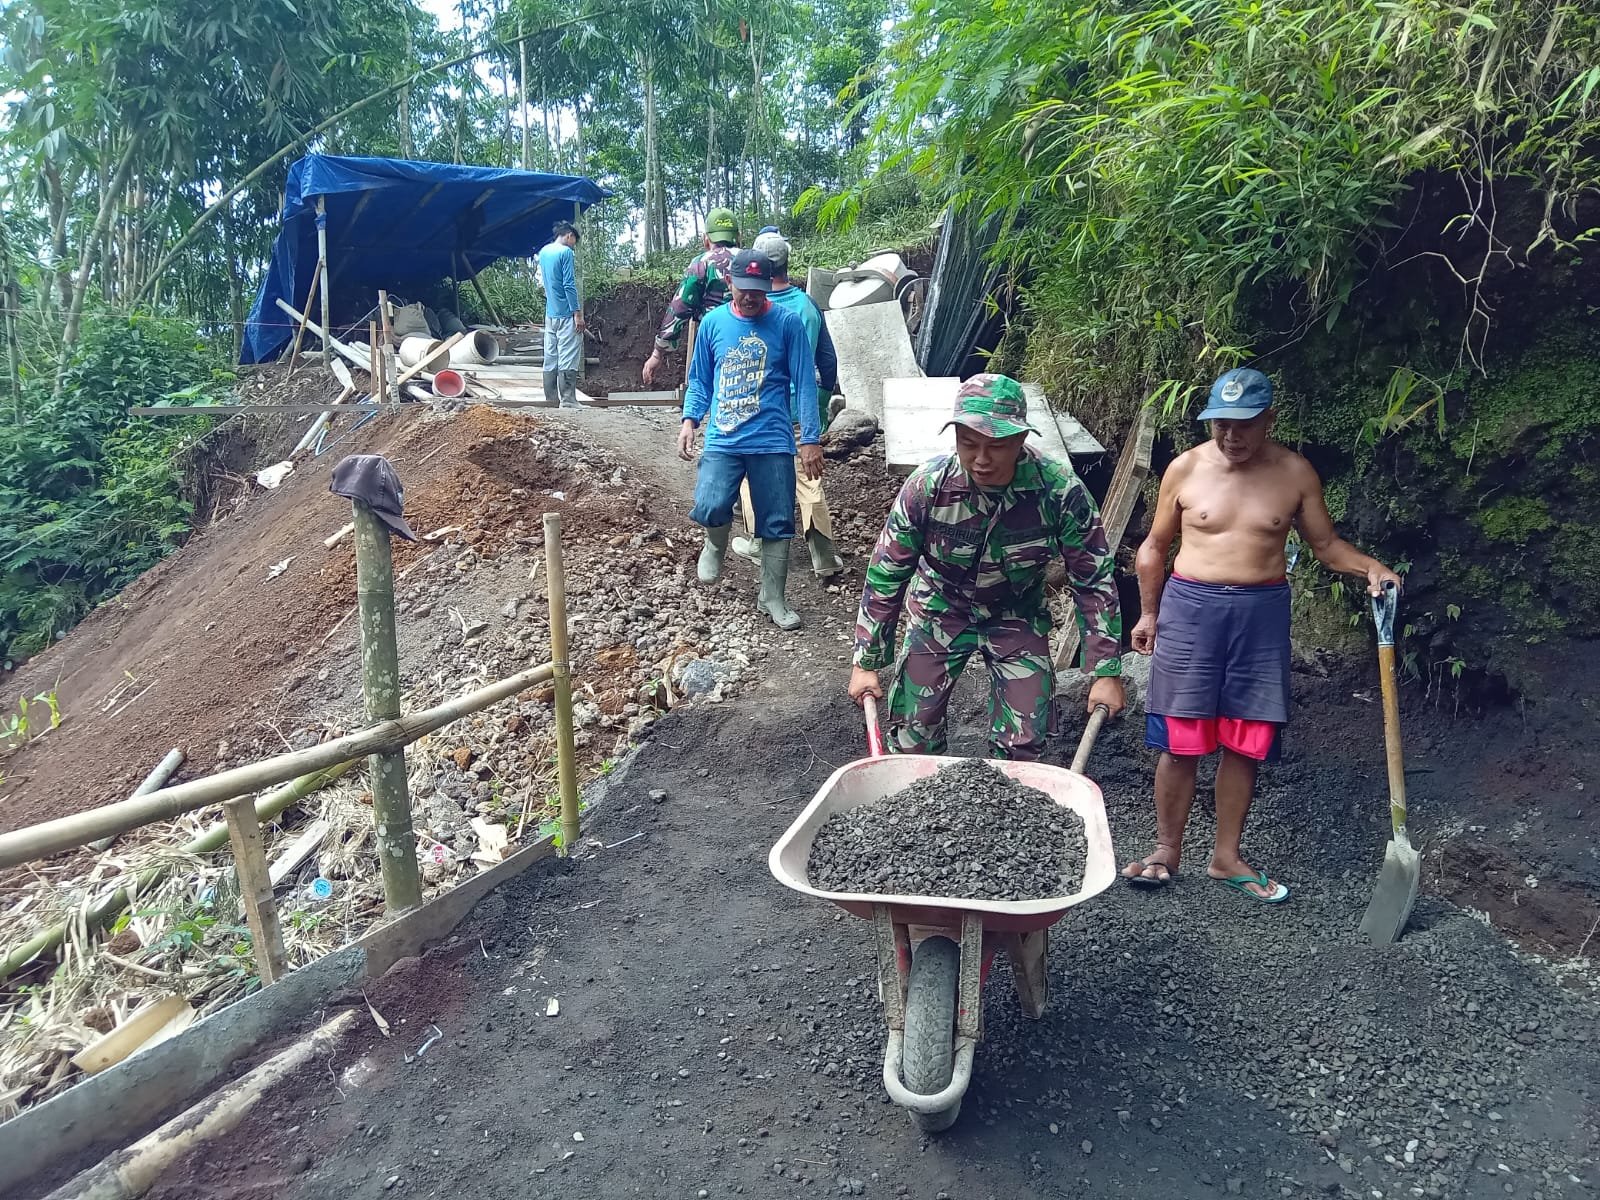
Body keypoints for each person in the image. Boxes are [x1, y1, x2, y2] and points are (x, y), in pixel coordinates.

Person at [1124, 367, 1402, 902]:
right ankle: (1166, 849)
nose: (1231, 436)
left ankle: (1226, 857)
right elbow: (1154, 547)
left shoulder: (1295, 474)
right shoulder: (1185, 468)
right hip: (1189, 609)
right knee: (1181, 738)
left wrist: (1371, 567)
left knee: (1246, 739)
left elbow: (1325, 546)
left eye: (1245, 425)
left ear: (1269, 420)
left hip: (1260, 613)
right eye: (1221, 424)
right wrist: (1148, 614)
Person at [847, 374, 1126, 760]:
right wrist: (867, 661)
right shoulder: (927, 488)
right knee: (912, 737)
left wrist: (1106, 670)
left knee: (1025, 742)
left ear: (1021, 439)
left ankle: (1006, 812)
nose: (980, 459)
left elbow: (1092, 579)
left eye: (996, 446)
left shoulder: (1059, 491)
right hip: (940, 608)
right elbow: (887, 573)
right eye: (968, 443)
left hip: (1016, 612)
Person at [676, 249, 822, 630]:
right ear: (729, 284)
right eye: (744, 290)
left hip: (772, 439)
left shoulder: (787, 324)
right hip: (724, 436)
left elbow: (805, 383)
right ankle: (715, 545)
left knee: (776, 520)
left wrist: (810, 438)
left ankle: (772, 596)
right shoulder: (712, 323)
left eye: (758, 290)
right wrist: (690, 420)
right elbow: (700, 379)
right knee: (710, 503)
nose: (752, 297)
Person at [731, 230, 845, 578]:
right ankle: (822, 553)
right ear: (787, 264)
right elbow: (827, 361)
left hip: (759, 409)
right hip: (800, 410)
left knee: (754, 475)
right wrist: (824, 396)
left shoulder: (752, 308)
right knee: (808, 477)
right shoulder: (807, 307)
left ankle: (758, 543)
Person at [642, 208, 740, 386]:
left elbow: (680, 308)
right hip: (753, 336)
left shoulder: (702, 263)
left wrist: (658, 353)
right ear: (738, 237)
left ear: (706, 239)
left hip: (715, 339)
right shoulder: (751, 261)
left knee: (710, 387)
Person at [536, 221, 585, 408]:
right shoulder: (566, 253)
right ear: (569, 236)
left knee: (551, 356)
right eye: (574, 241)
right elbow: (569, 285)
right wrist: (577, 314)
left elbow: (547, 285)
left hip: (550, 313)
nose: (573, 245)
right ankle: (568, 400)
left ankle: (551, 399)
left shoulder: (544, 252)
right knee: (568, 355)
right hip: (566, 313)